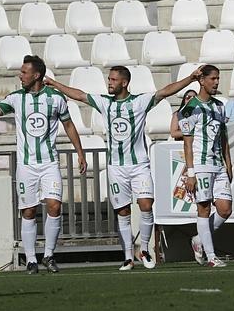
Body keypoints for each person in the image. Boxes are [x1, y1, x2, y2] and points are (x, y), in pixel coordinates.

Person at [45, 66, 201, 271]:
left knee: (146, 204)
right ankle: (128, 256)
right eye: (109, 79)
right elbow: (80, 95)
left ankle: (144, 248)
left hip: (139, 165)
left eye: (113, 80)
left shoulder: (139, 102)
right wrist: (55, 83)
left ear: (124, 83)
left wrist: (190, 78)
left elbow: (165, 91)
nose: (109, 82)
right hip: (116, 168)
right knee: (123, 211)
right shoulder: (105, 103)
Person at [0, 55, 87, 275]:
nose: (20, 76)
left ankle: (49, 255)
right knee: (28, 211)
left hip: (49, 162)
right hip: (26, 165)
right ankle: (31, 260)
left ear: (36, 75)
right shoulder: (16, 98)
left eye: (24, 72)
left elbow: (68, 125)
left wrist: (80, 152)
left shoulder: (56, 98)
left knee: (54, 205)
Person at [179, 65, 233, 268]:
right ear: (202, 81)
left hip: (218, 164)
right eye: (213, 78)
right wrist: (190, 172)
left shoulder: (220, 106)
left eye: (218, 78)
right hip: (201, 165)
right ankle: (211, 257)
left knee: (225, 209)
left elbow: (223, 137)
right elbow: (187, 142)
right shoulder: (190, 108)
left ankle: (198, 240)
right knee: (203, 207)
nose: (216, 82)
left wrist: (228, 163)